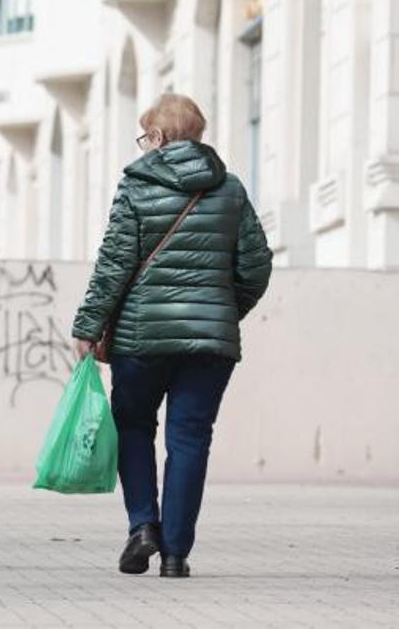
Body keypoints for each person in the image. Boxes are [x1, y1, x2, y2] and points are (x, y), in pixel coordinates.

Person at [71, 93, 272, 579]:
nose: (142, 146)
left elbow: (114, 264)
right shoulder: (231, 189)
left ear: (158, 137)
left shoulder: (136, 185)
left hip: (142, 339)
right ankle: (177, 555)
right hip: (210, 346)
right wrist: (221, 313)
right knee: (190, 440)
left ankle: (143, 526)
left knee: (134, 427)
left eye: (145, 136)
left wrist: (88, 325)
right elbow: (256, 266)